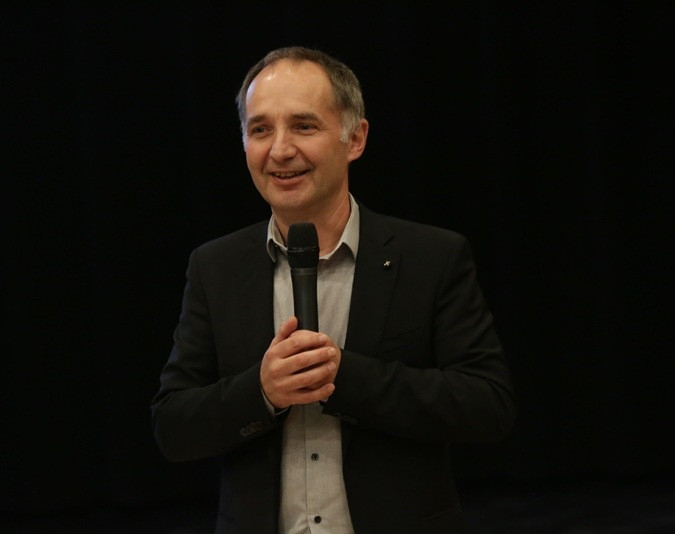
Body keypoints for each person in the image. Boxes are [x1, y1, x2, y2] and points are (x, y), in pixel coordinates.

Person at [151, 46, 516, 534]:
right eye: (261, 129)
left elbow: (487, 406)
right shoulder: (216, 267)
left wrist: (345, 378)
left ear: (355, 138)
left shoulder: (430, 257)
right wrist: (262, 391)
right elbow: (173, 427)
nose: (280, 150)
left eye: (303, 126)